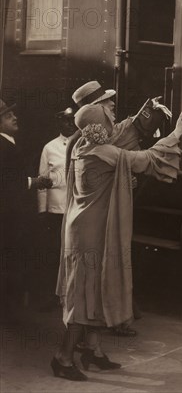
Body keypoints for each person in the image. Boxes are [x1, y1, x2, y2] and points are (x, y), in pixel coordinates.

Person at [51, 104, 182, 381]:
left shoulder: (82, 144)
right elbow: (145, 159)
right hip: (91, 233)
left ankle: (93, 351)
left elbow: (122, 140)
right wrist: (178, 132)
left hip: (82, 227)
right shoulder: (104, 152)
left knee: (93, 290)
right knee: (85, 295)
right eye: (109, 118)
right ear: (99, 125)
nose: (113, 121)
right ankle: (63, 357)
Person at [0, 99, 53, 321]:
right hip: (8, 216)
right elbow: (8, 183)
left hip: (9, 214)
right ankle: (8, 312)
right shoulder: (5, 147)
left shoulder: (9, 144)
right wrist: (35, 182)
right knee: (9, 260)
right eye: (8, 115)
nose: (14, 117)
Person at [37, 108, 77, 310]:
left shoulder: (82, 144)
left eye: (72, 121)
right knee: (54, 253)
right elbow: (42, 180)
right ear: (59, 123)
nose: (69, 125)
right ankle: (53, 296)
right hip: (56, 210)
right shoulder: (49, 148)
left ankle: (71, 297)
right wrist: (43, 209)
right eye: (65, 121)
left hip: (76, 208)